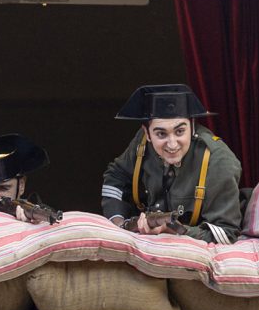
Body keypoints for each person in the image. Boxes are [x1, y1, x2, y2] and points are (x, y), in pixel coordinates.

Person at [101, 84, 242, 244]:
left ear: (192, 126)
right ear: (147, 133)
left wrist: (173, 231)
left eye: (180, 131)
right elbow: (116, 177)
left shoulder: (219, 160)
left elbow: (226, 233)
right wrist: (119, 223)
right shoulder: (142, 143)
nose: (172, 144)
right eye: (161, 134)